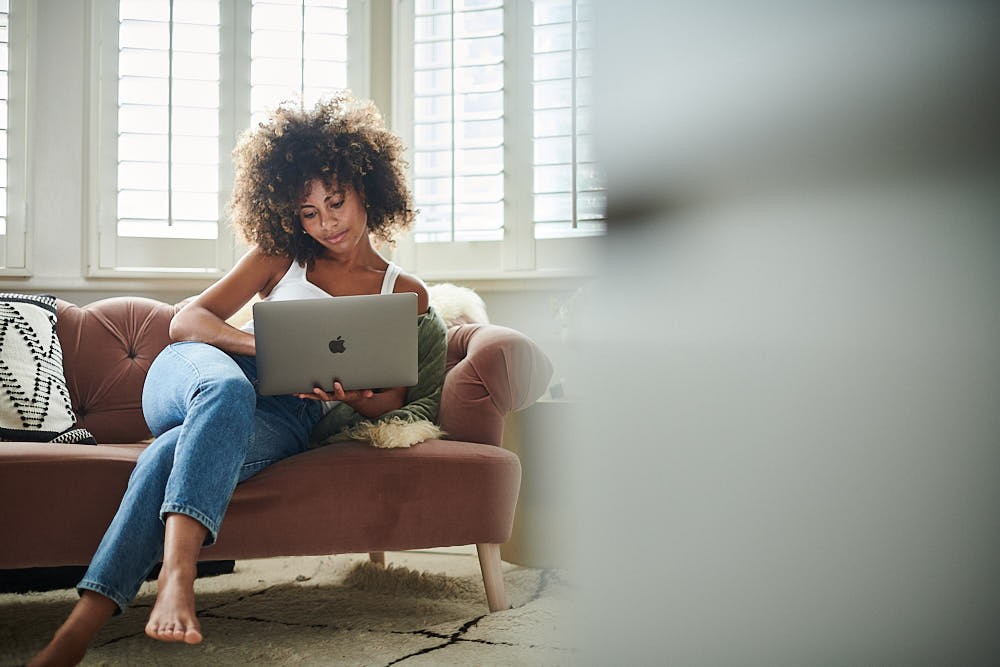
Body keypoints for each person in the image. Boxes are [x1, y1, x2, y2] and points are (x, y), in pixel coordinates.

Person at [29, 92, 447, 666]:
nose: (326, 224)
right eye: (309, 213)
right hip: (201, 370)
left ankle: (80, 626)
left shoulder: (404, 291)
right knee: (224, 392)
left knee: (172, 453)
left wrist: (349, 394)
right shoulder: (281, 255)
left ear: (365, 188)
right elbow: (187, 321)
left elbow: (392, 401)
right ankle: (180, 574)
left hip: (287, 412)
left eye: (335, 203)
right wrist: (261, 345)